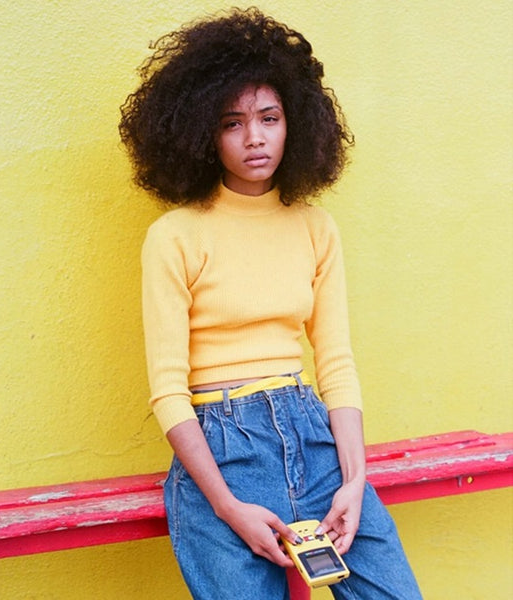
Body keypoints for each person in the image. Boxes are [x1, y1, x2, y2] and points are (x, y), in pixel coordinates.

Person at [119, 7, 422, 600]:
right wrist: (230, 508)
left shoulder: (316, 228)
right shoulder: (176, 236)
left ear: (297, 123)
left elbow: (334, 362)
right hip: (220, 450)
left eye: (269, 117)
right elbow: (168, 389)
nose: (254, 137)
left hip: (314, 437)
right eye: (232, 123)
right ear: (201, 132)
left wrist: (355, 482)